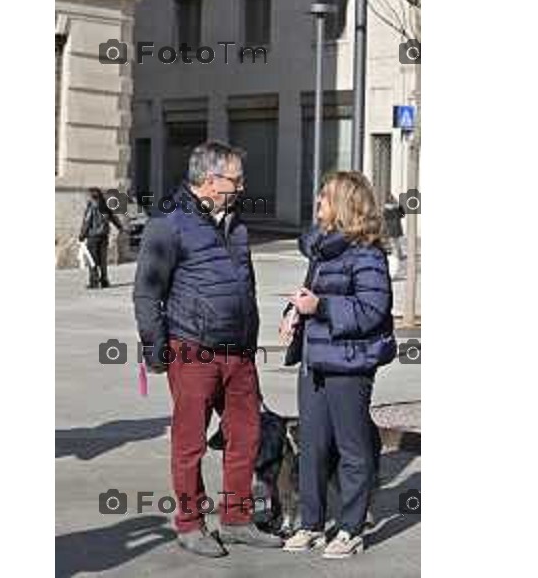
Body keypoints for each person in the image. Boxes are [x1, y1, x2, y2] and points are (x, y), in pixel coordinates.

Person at [133, 141, 282, 557]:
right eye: (235, 178)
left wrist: (250, 343)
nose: (241, 185)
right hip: (192, 349)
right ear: (209, 180)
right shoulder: (170, 223)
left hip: (238, 353)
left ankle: (236, 520)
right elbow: (147, 293)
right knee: (190, 442)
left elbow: (246, 286)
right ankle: (190, 523)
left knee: (246, 437)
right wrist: (156, 350)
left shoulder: (236, 223)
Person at [280, 171, 396, 559]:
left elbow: (373, 309)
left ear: (344, 206)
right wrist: (293, 311)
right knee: (312, 445)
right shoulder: (321, 249)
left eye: (324, 199)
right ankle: (310, 524)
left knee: (351, 448)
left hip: (349, 363)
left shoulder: (368, 253)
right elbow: (311, 295)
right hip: (314, 359)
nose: (316, 205)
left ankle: (351, 528)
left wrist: (322, 307)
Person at [78, 188, 123, 288]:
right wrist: (120, 227)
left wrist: (82, 235)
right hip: (104, 236)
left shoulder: (91, 207)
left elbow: (87, 222)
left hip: (93, 237)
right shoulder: (105, 206)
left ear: (92, 196)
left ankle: (94, 281)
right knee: (103, 259)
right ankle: (104, 280)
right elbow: (114, 218)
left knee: (92, 260)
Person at [383, 194, 406, 277]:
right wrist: (399, 206)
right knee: (396, 243)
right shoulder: (395, 209)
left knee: (395, 243)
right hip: (396, 228)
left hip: (390, 229)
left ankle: (398, 255)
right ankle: (397, 256)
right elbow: (403, 214)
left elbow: (384, 220)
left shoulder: (385, 210)